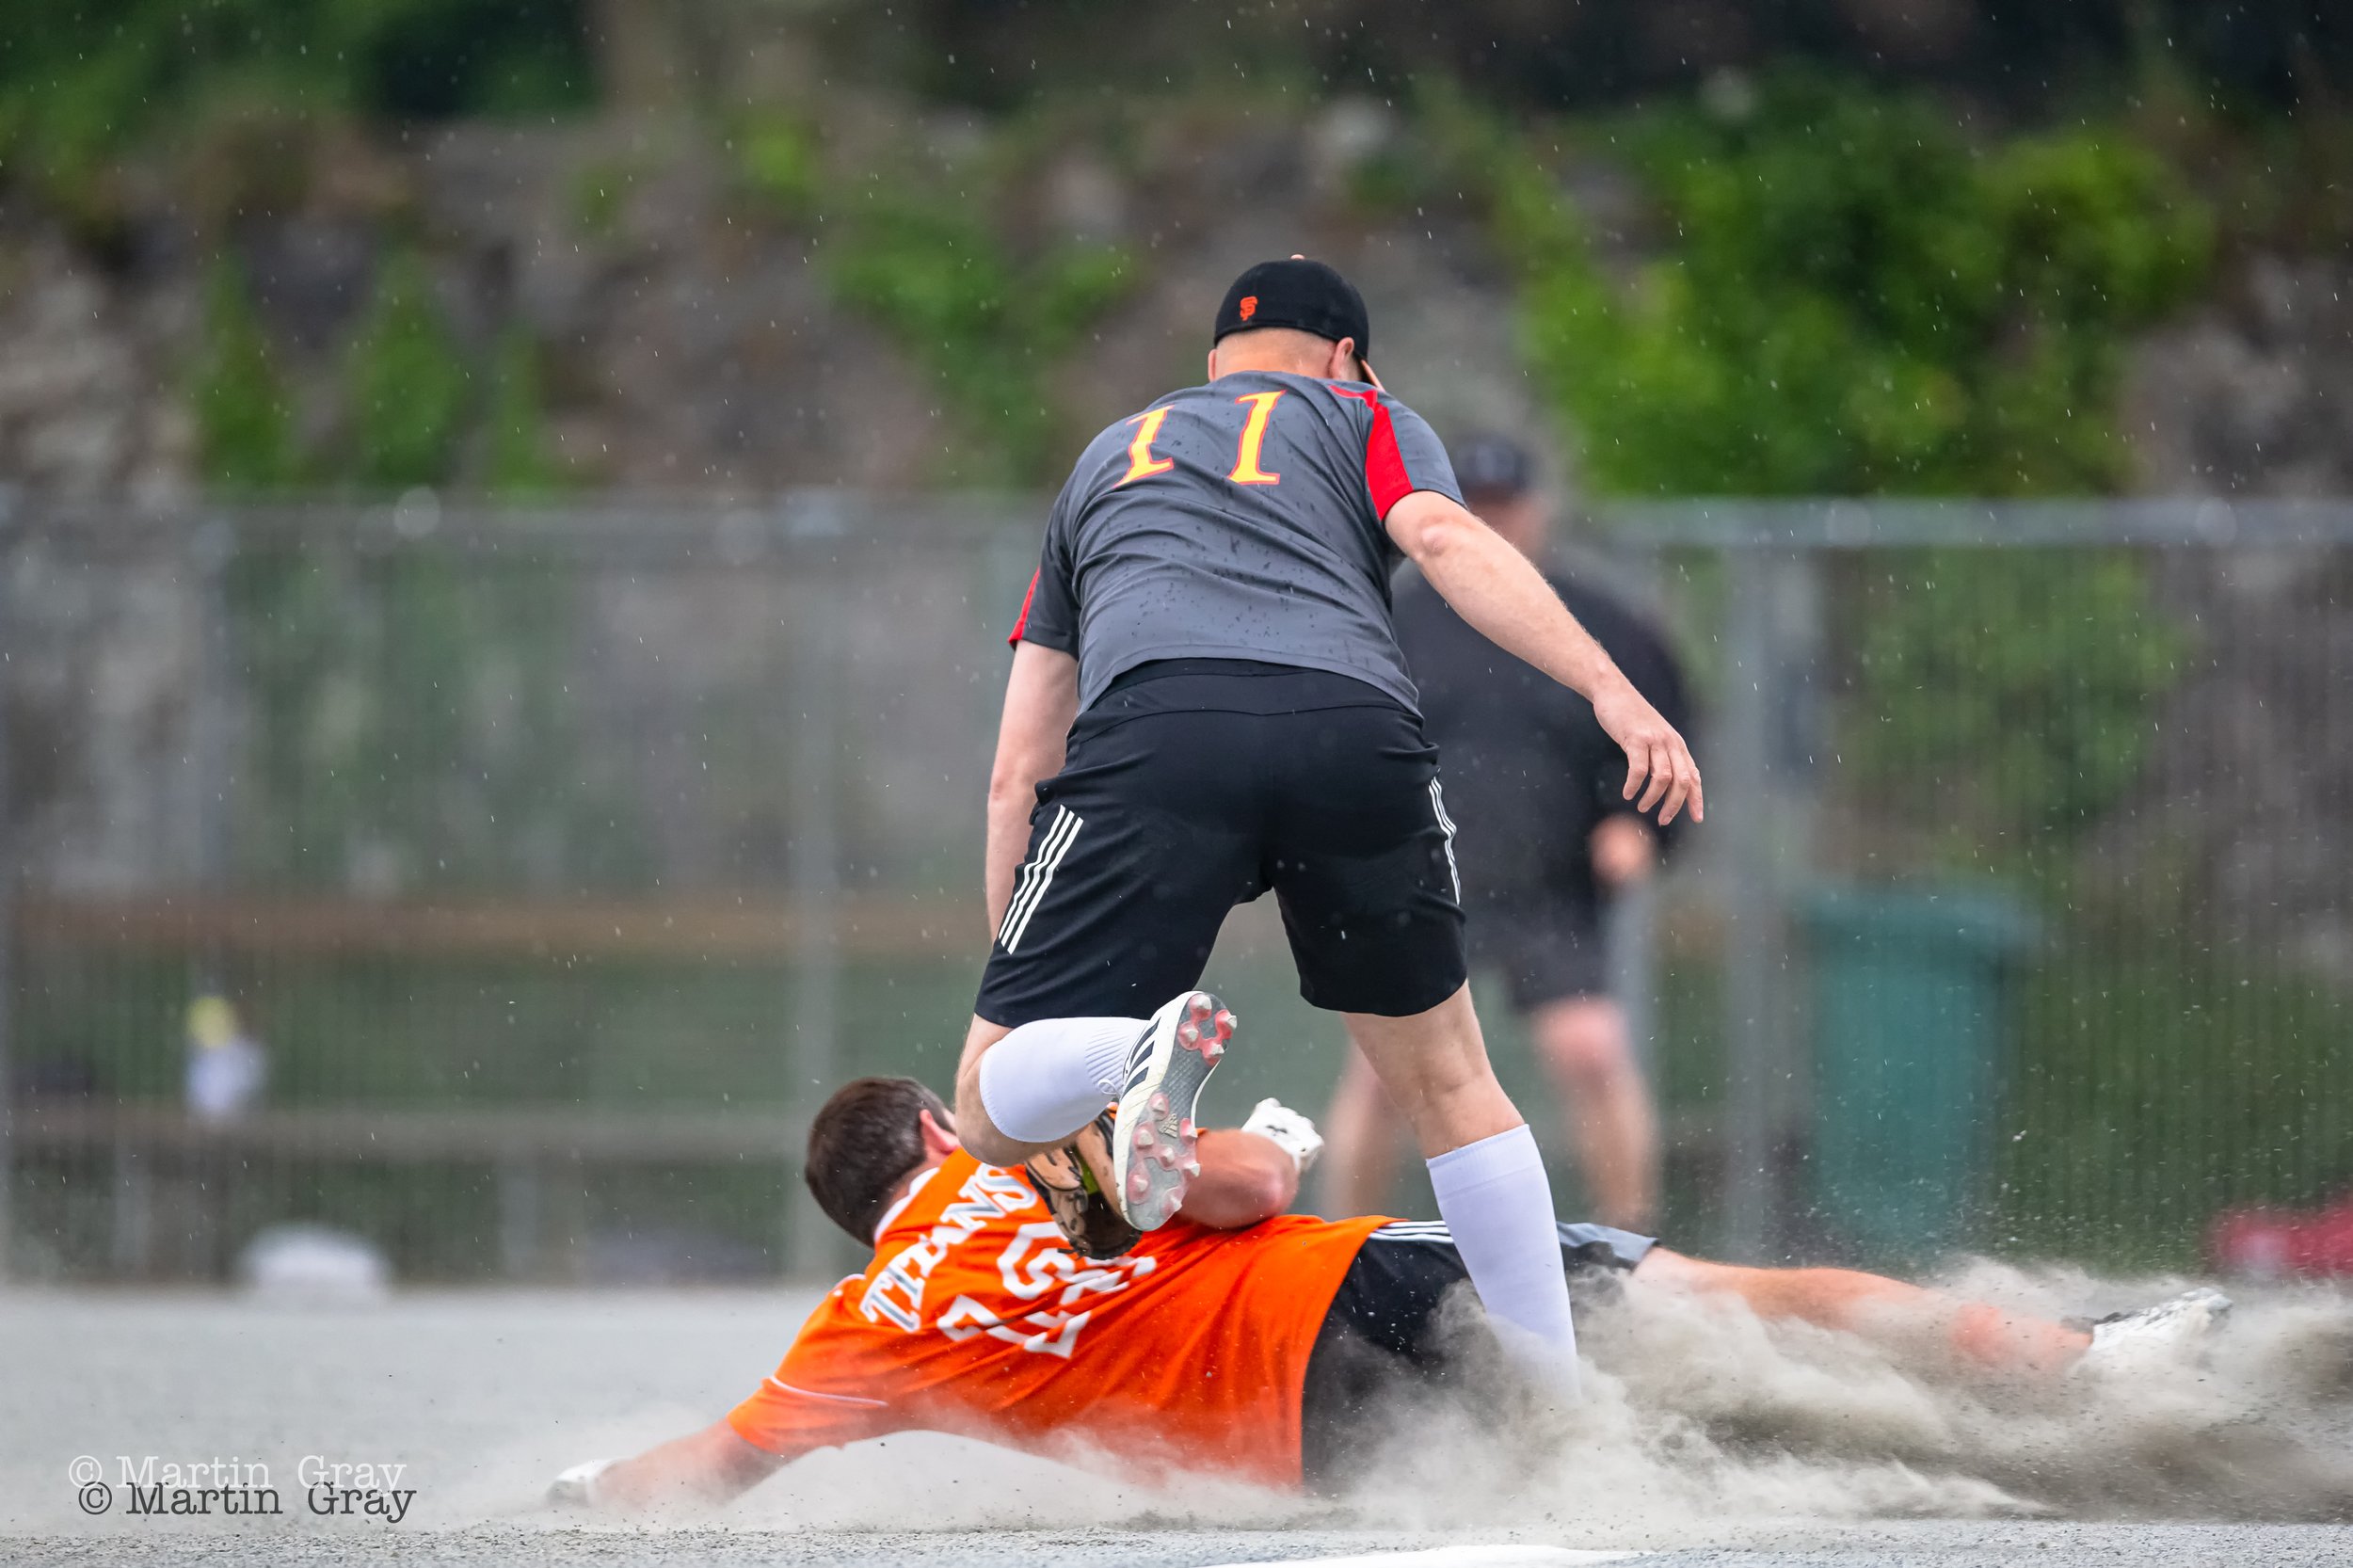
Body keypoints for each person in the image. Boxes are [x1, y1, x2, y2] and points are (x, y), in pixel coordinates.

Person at [952, 256, 1703, 1388]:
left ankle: (1125, 1055)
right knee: (1453, 1084)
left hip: (1161, 729)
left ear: (1210, 368)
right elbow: (1445, 542)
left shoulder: (1108, 457)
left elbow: (1020, 767)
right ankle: (1561, 1401)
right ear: (1350, 358)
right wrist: (1607, 688)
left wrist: (1023, 978)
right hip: (1351, 725)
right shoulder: (1364, 414)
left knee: (984, 1098)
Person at [546, 1076, 2230, 1512]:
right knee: (1748, 1303)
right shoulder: (1015, 1166)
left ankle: (1979, 1457)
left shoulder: (861, 1338)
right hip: (1355, 1296)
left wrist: (560, 1503)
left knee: (1678, 1451)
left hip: (1319, 1450)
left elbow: (713, 1463)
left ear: (858, 1223)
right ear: (930, 1126)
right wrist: (1210, 1133)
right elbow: (1256, 1189)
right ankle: (2073, 1367)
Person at [1323, 436, 1691, 1231]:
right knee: (1378, 1078)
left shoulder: (1602, 626)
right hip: (1420, 876)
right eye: (1475, 508)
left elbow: (1664, 731)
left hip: (1547, 885)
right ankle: (1341, 1253)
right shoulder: (1388, 618)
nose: (1493, 523)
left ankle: (1628, 1245)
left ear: (1537, 512)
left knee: (1590, 1050)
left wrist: (1636, 824)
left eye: (1505, 507)